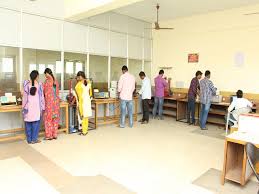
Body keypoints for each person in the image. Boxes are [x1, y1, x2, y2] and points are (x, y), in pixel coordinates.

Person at [22, 70, 45, 144]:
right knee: (36, 123)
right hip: (36, 107)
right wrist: (43, 106)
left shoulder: (26, 83)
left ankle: (29, 139)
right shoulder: (39, 84)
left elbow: (23, 94)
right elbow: (41, 96)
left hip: (28, 106)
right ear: (37, 76)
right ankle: (34, 139)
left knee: (28, 123)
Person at [43, 68, 60, 140]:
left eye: (45, 74)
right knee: (55, 119)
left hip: (49, 103)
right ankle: (55, 134)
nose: (45, 76)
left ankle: (49, 135)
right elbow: (57, 93)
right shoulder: (55, 81)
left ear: (47, 73)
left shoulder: (47, 82)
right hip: (56, 104)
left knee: (48, 119)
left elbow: (44, 92)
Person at [75, 71, 92, 135]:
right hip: (87, 101)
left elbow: (79, 95)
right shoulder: (89, 82)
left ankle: (84, 131)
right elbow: (90, 94)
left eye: (78, 77)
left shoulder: (79, 85)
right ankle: (85, 130)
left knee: (82, 116)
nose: (77, 78)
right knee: (86, 116)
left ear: (80, 77)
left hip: (82, 102)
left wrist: (78, 104)